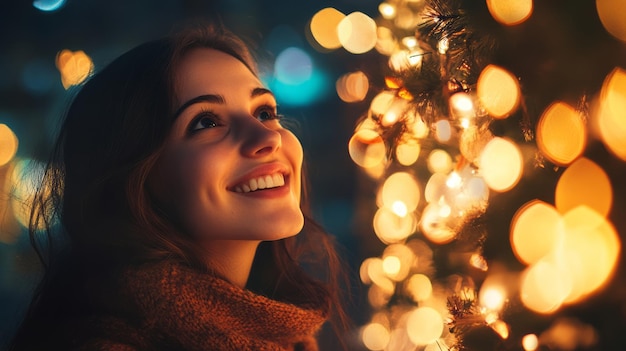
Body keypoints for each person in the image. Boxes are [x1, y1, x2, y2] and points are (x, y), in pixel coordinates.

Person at [9, 23, 349, 351]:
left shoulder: (286, 335)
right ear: (133, 180)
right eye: (206, 121)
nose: (268, 137)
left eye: (264, 112)